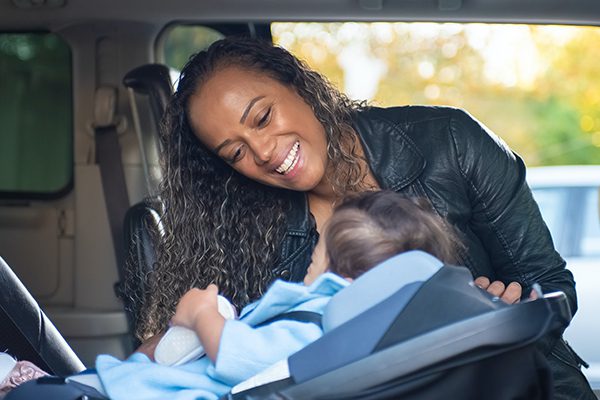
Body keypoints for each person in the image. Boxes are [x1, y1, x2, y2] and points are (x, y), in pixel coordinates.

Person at [130, 36, 594, 398]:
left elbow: (551, 283)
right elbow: (216, 342)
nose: (265, 152)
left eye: (263, 117)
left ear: (297, 84)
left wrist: (507, 310)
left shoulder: (451, 142)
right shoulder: (247, 228)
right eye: (236, 152)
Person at [5, 191, 464, 400]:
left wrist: (202, 315)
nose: (310, 260)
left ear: (346, 276)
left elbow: (238, 357)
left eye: (319, 254)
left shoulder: (319, 327)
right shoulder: (347, 329)